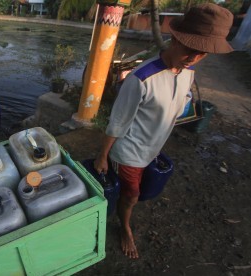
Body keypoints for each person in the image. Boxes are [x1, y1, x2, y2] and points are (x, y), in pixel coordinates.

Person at [94, 3, 233, 259]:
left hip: (154, 146)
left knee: (142, 189)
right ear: (175, 37)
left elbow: (179, 104)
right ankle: (124, 226)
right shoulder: (141, 78)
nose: (193, 58)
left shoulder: (187, 71)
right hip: (130, 152)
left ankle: (125, 211)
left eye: (202, 54)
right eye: (190, 49)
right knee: (132, 194)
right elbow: (118, 121)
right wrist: (103, 156)